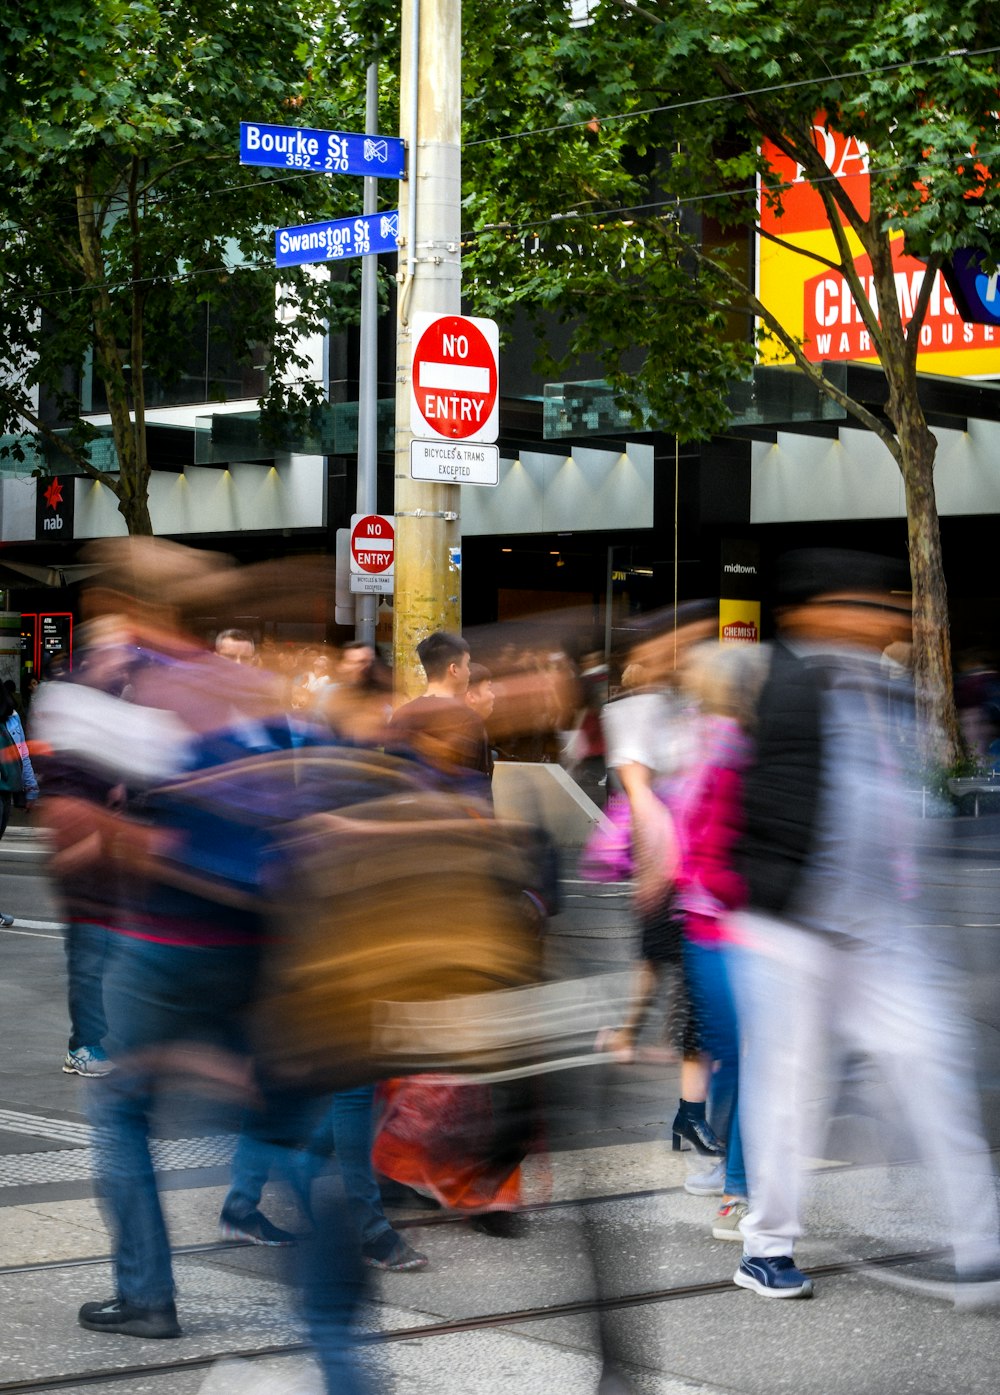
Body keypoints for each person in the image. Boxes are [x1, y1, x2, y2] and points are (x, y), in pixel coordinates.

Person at [730, 549, 1000, 1305]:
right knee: (790, 1087)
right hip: (793, 923)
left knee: (934, 1061)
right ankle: (767, 1244)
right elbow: (739, 794)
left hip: (882, 923)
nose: (885, 617)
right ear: (814, 611)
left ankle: (980, 1244)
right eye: (865, 604)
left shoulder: (888, 686)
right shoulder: (774, 682)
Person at [388, 631, 491, 788]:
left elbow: (391, 776)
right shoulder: (468, 718)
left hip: (409, 809)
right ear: (454, 669)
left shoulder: (401, 715)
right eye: (467, 664)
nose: (469, 672)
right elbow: (477, 782)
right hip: (453, 810)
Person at [0, 684, 39, 929]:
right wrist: (31, 789)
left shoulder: (12, 718)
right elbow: (23, 754)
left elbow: (22, 753)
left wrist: (31, 787)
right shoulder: (12, 717)